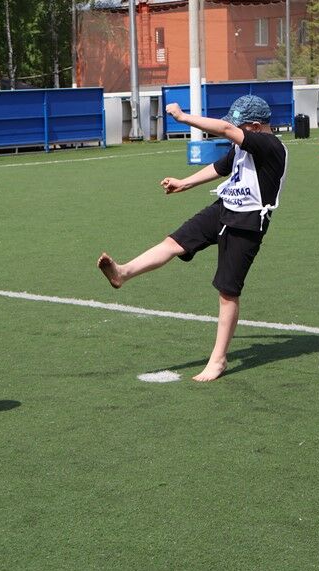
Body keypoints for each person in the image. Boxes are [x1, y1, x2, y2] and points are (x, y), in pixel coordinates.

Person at [97, 95, 288, 382]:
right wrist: (184, 183)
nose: (232, 130)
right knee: (173, 243)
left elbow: (225, 130)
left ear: (255, 127)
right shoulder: (243, 147)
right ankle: (122, 273)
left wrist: (184, 117)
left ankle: (218, 359)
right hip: (223, 208)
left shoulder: (270, 146)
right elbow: (220, 167)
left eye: (239, 127)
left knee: (227, 292)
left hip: (247, 223)